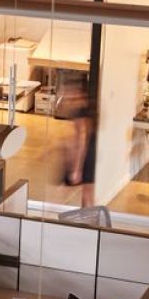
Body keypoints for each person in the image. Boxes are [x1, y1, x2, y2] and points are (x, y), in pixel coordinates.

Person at [61, 78, 97, 207]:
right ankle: (89, 220)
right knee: (88, 193)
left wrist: (77, 169)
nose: (67, 95)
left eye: (70, 92)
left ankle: (90, 222)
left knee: (87, 194)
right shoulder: (85, 108)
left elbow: (82, 140)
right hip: (91, 153)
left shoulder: (81, 113)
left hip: (88, 155)